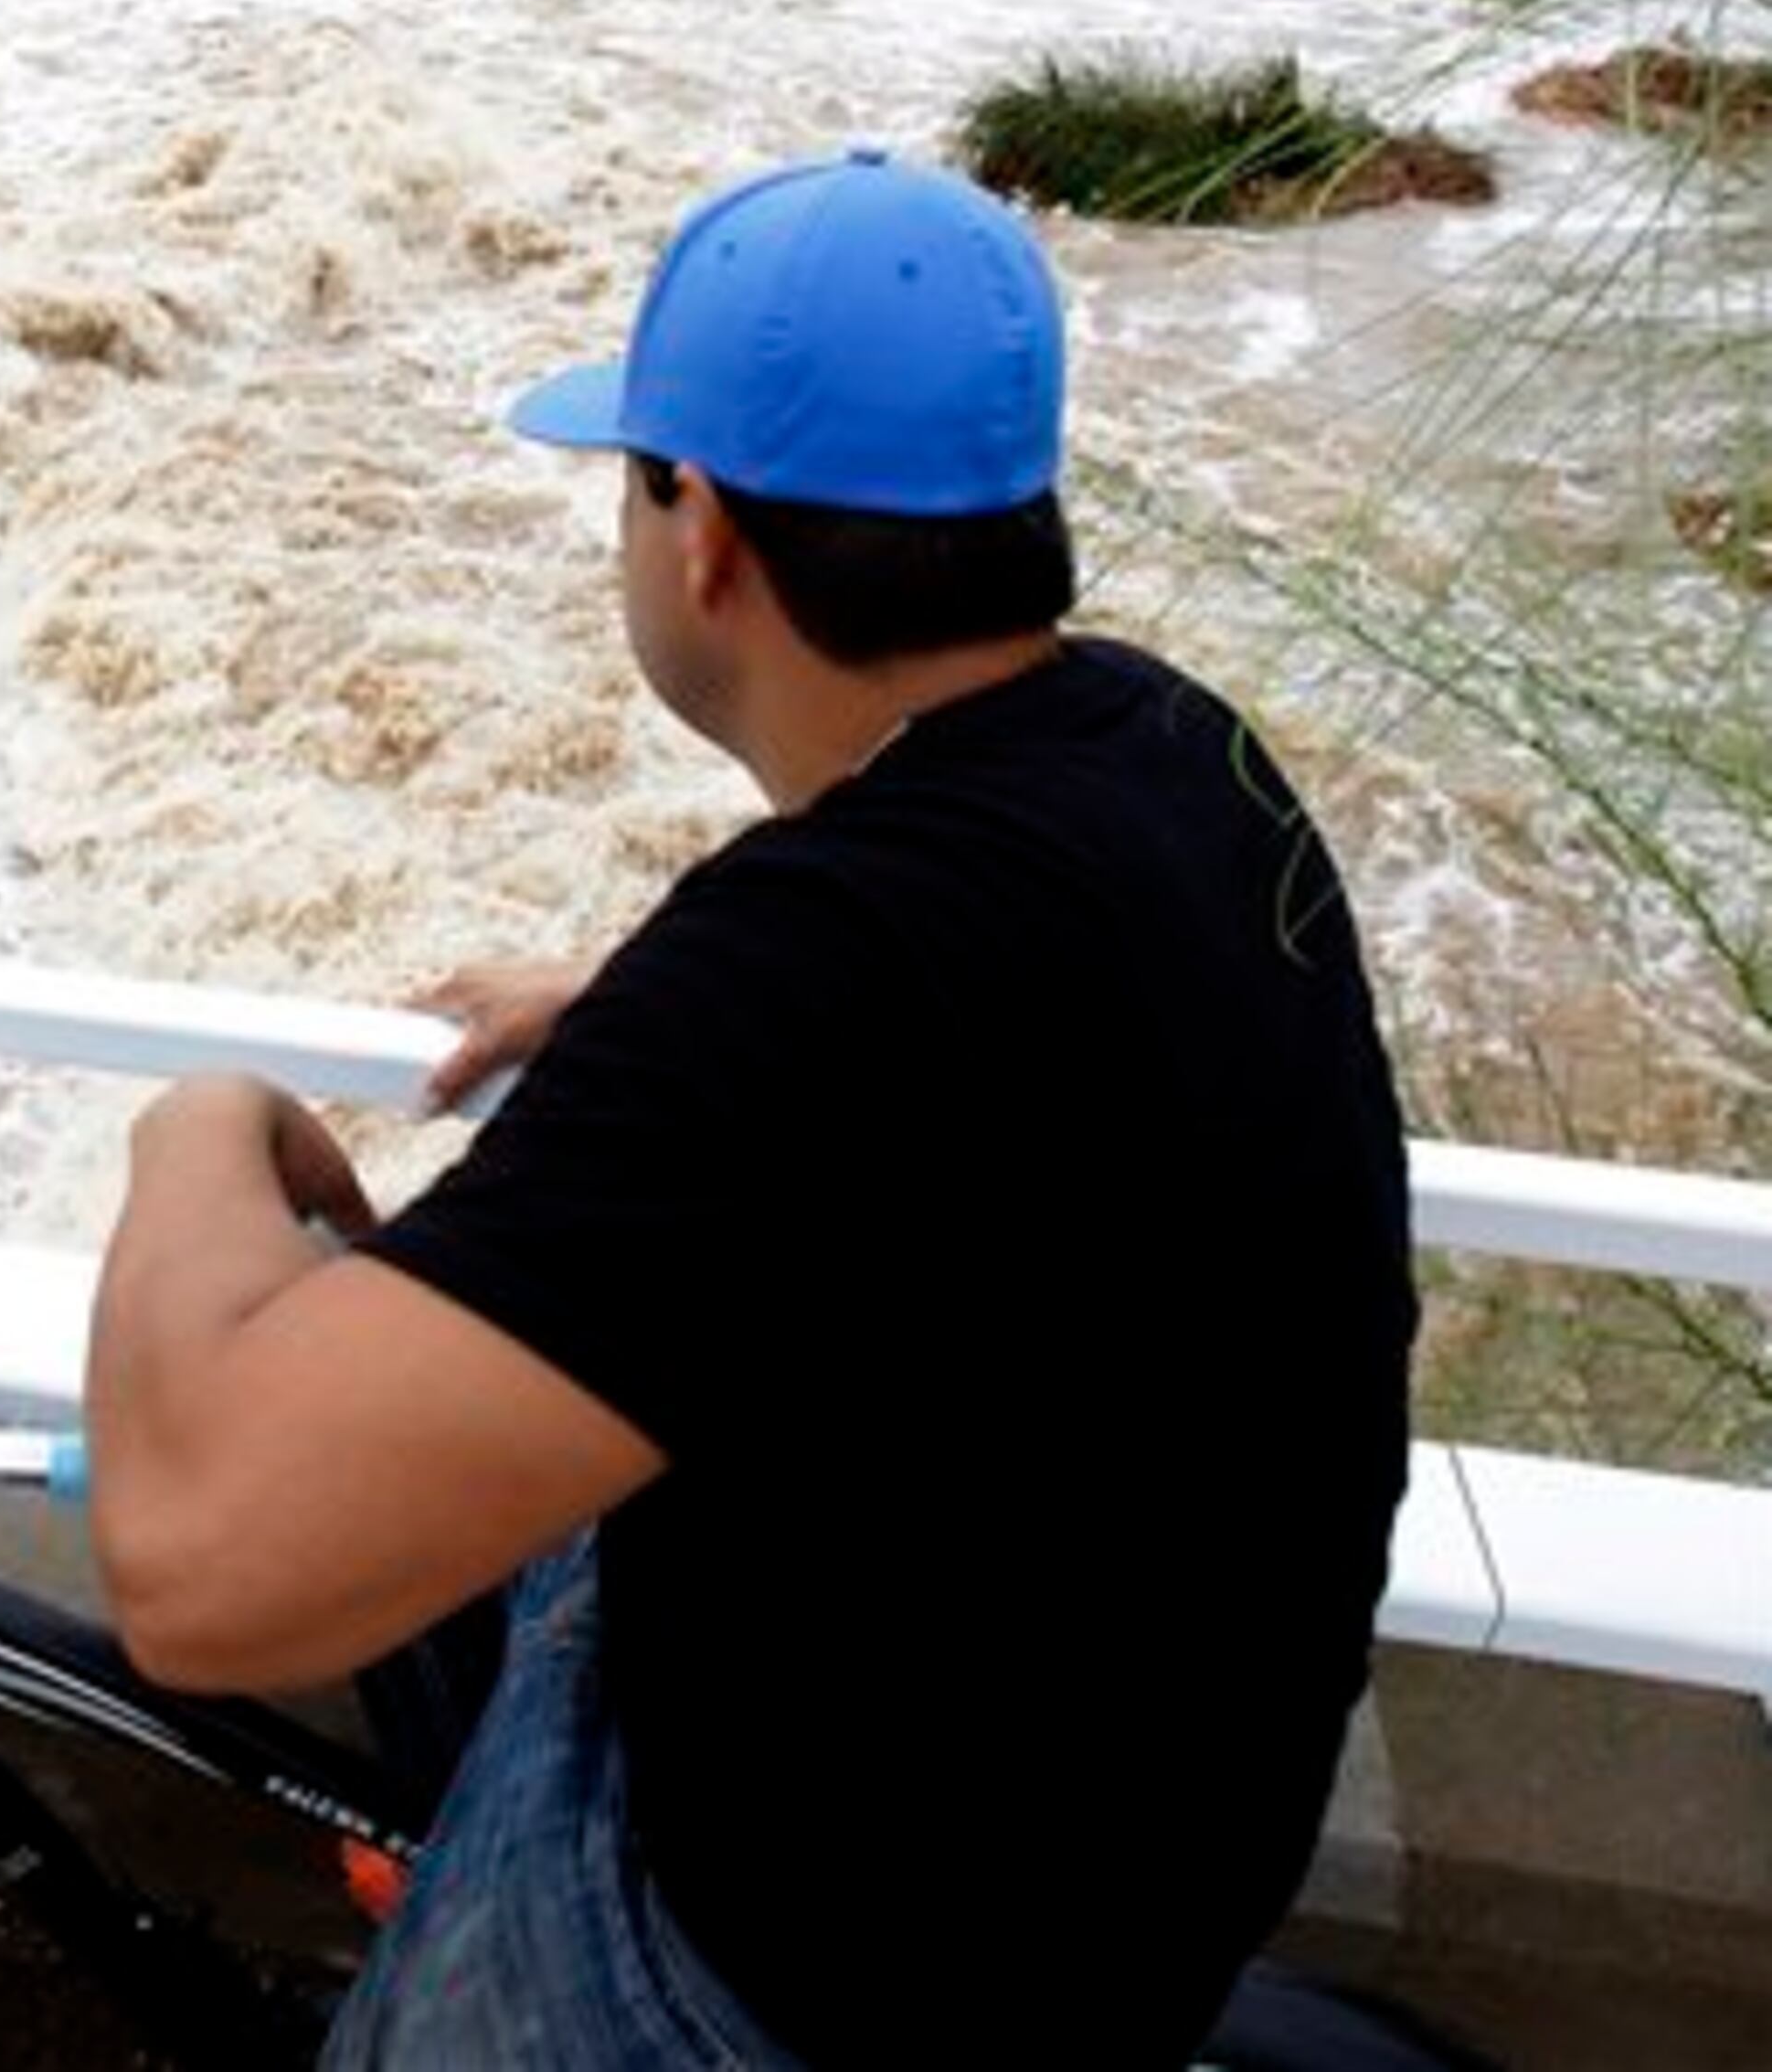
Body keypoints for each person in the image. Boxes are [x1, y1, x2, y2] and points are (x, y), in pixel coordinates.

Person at [81, 150, 1417, 2067]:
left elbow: (203, 1571)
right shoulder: (1177, 750)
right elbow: (943, 1004)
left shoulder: (818, 983)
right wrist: (635, 993)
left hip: (778, 1982)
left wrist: (199, 1122)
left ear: (696, 525)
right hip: (1127, 1889)